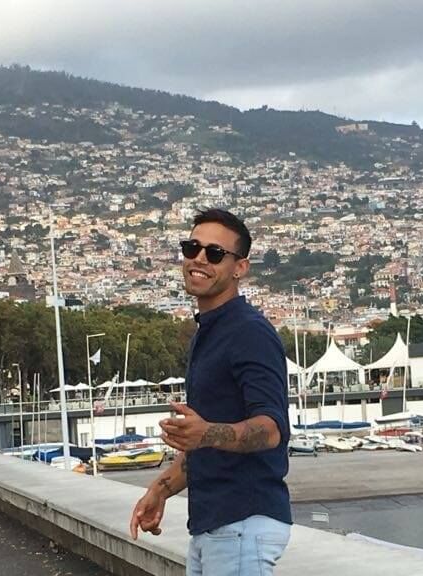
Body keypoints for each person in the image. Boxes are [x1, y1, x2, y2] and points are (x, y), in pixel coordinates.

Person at [130, 208, 292, 575]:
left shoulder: (249, 332)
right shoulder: (210, 332)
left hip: (242, 523)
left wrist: (205, 433)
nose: (200, 258)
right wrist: (161, 490)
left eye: (215, 253)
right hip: (216, 526)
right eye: (192, 248)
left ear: (240, 267)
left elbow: (271, 429)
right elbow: (206, 445)